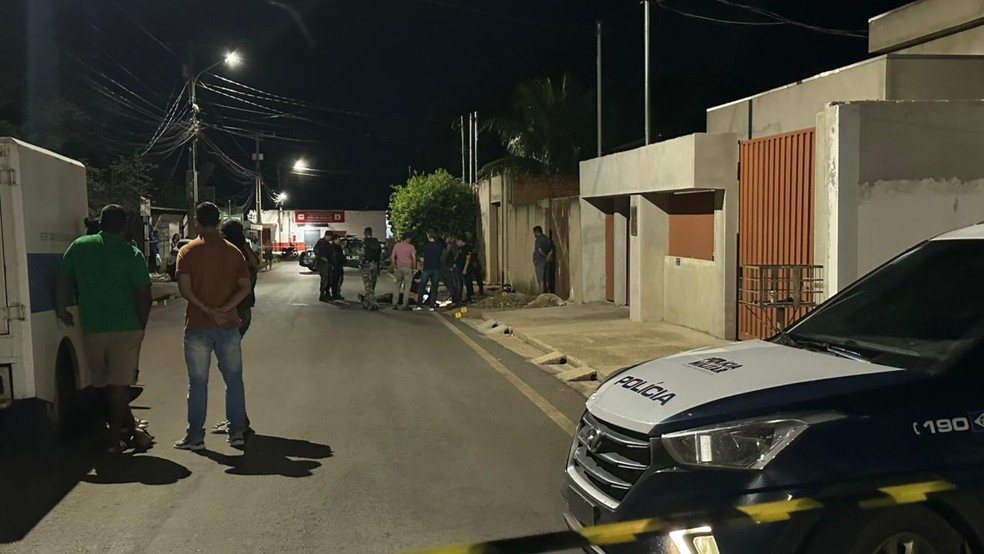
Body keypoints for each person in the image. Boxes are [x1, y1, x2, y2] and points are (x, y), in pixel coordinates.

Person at [56, 205, 154, 454]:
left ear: (100, 223)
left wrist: (61, 307)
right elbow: (144, 294)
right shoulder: (131, 253)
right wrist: (140, 326)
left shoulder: (79, 246)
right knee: (119, 386)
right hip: (126, 326)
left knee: (102, 385)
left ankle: (128, 431)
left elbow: (64, 277)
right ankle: (114, 441)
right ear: (124, 226)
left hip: (93, 327)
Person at [173, 202, 252, 451]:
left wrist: (207, 310)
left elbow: (185, 290)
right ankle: (236, 432)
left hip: (197, 325)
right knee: (234, 381)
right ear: (218, 222)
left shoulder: (187, 252)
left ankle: (195, 436)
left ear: (197, 221)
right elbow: (245, 288)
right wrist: (225, 309)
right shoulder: (233, 252)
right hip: (228, 325)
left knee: (197, 383)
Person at [210, 220, 259, 437]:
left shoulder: (230, 254)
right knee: (230, 369)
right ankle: (238, 419)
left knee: (229, 370)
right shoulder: (248, 252)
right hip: (244, 312)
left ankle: (238, 422)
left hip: (231, 314)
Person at [414, 230, 443, 311]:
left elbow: (423, 256)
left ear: (429, 236)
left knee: (422, 286)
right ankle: (432, 306)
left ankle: (419, 305)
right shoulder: (439, 245)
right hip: (436, 268)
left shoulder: (425, 245)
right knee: (434, 287)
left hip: (427, 268)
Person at [390, 234, 416, 310]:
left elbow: (392, 256)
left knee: (397, 285)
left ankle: (394, 303)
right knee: (407, 287)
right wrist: (414, 268)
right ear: (407, 238)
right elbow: (414, 258)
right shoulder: (411, 247)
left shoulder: (397, 246)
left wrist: (394, 266)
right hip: (408, 268)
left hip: (399, 268)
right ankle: (405, 304)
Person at [360, 227, 382, 311]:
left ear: (365, 233)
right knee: (372, 285)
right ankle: (366, 302)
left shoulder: (364, 242)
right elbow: (380, 254)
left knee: (368, 285)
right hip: (375, 265)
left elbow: (362, 254)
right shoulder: (376, 242)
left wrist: (360, 264)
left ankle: (372, 304)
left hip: (367, 265)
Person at [441, 234, 462, 307]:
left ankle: (456, 299)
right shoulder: (452, 245)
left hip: (451, 267)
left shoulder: (451, 245)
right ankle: (456, 299)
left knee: (454, 284)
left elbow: (452, 256)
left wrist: (453, 264)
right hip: (451, 266)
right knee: (455, 283)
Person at [314, 231, 336, 302]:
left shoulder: (328, 243)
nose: (331, 238)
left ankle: (327, 294)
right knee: (325, 280)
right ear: (327, 236)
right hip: (322, 264)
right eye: (330, 237)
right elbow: (316, 251)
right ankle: (322, 295)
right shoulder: (321, 242)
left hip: (328, 264)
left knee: (329, 280)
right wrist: (322, 257)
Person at [533, 225, 554, 294]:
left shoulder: (538, 240)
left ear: (536, 232)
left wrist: (545, 256)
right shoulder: (547, 239)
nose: (534, 235)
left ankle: (541, 296)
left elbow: (539, 250)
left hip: (539, 262)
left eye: (534, 233)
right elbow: (551, 249)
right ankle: (547, 294)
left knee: (541, 280)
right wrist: (548, 257)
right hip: (546, 262)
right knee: (547, 280)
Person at [464, 231, 484, 298]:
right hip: (470, 260)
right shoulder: (467, 241)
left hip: (474, 260)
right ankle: (470, 291)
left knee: (478, 276)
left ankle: (481, 289)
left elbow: (476, 250)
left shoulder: (474, 241)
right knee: (469, 277)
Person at [456, 235, 474, 304]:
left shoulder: (467, 247)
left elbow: (468, 258)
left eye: (458, 241)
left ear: (461, 240)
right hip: (459, 267)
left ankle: (469, 297)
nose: (457, 243)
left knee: (467, 282)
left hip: (465, 267)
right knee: (460, 282)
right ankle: (460, 298)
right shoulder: (460, 248)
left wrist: (465, 268)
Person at [331, 235, 346, 302]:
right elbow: (338, 257)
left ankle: (337, 294)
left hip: (338, 266)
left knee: (339, 280)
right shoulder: (334, 247)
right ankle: (335, 295)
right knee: (337, 281)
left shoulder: (337, 247)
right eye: (338, 239)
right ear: (334, 240)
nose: (339, 240)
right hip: (336, 267)